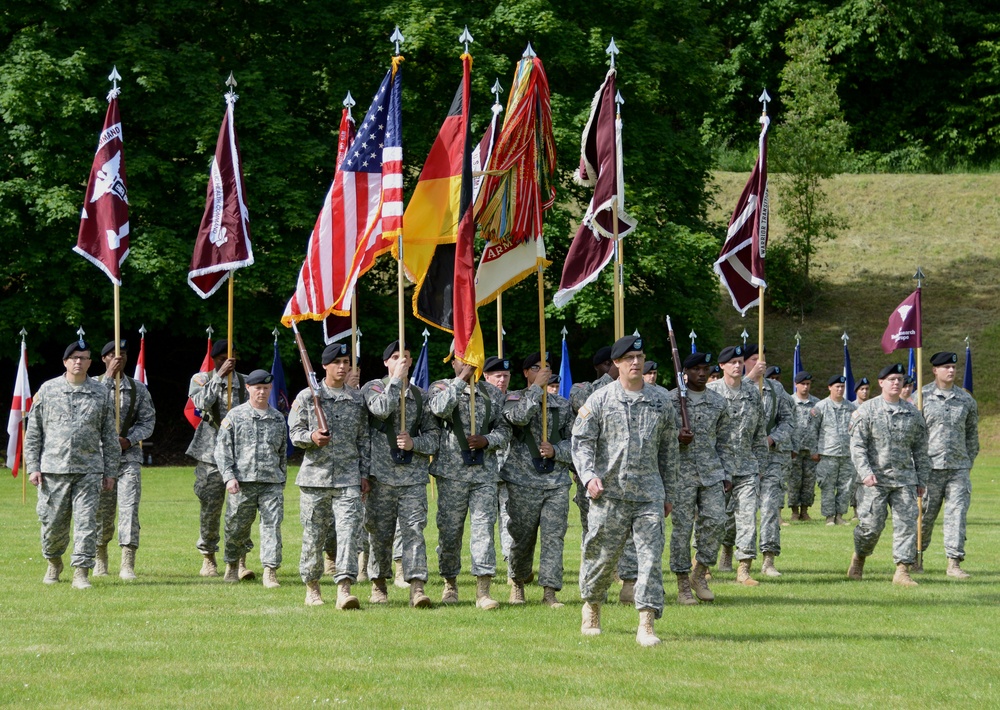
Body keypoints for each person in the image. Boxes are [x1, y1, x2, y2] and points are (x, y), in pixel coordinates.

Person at [573, 335, 678, 646]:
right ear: (616, 363)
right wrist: (589, 476)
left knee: (649, 560)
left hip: (649, 495)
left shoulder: (661, 401)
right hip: (610, 495)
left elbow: (669, 452)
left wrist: (669, 493)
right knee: (601, 558)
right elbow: (582, 443)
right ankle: (591, 606)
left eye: (640, 357)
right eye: (629, 358)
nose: (636, 362)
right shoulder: (600, 400)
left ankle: (646, 623)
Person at [25, 340, 119, 589]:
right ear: (65, 361)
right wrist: (32, 466)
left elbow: (109, 435)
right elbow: (34, 432)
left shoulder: (100, 392)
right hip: (54, 470)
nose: (79, 361)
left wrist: (110, 471)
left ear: (90, 362)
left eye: (84, 357)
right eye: (74, 357)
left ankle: (81, 572)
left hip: (89, 470)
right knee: (53, 524)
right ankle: (54, 562)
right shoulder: (47, 390)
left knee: (87, 522)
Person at [289, 342, 370, 608]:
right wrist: (311, 437)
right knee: (314, 535)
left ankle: (344, 589)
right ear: (325, 366)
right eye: (337, 362)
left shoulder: (357, 398)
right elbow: (294, 433)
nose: (342, 367)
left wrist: (364, 474)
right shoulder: (307, 397)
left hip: (348, 477)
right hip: (315, 479)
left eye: (346, 362)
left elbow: (363, 439)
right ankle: (312, 587)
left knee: (349, 533)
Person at [428, 358, 511, 609]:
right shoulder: (441, 387)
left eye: (471, 358)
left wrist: (487, 440)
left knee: (484, 529)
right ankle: (450, 583)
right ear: (453, 361)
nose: (468, 363)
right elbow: (439, 410)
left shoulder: (492, 394)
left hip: (484, 473)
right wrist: (461, 380)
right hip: (452, 473)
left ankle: (483, 590)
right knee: (450, 531)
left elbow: (504, 431)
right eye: (463, 359)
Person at [361, 340, 438, 607]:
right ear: (386, 362)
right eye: (395, 357)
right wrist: (395, 381)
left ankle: (416, 586)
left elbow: (434, 437)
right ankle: (379, 583)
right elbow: (381, 409)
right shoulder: (372, 387)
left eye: (406, 356)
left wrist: (416, 444)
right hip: (381, 477)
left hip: (413, 477)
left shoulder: (420, 396)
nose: (402, 361)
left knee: (414, 531)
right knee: (379, 533)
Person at [847, 363, 930, 586]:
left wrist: (922, 479)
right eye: (891, 379)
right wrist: (865, 473)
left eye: (900, 379)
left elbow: (921, 449)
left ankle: (902, 570)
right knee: (871, 527)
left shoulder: (912, 413)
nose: (896, 383)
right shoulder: (867, 410)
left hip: (904, 480)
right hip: (874, 480)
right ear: (881, 382)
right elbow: (857, 446)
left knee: (907, 524)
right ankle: (859, 556)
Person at [503, 353, 574, 608]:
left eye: (547, 368)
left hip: (555, 481)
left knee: (554, 536)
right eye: (536, 367)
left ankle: (550, 591)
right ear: (525, 372)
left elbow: (574, 442)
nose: (543, 371)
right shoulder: (513, 398)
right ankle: (518, 582)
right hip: (522, 481)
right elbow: (518, 418)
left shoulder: (562, 405)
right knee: (522, 536)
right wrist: (535, 389)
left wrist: (557, 451)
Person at [569, 346, 639, 604]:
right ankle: (596, 587)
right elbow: (580, 406)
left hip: (627, 476)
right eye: (617, 361)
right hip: (594, 475)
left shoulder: (635, 391)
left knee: (630, 533)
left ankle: (628, 581)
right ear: (603, 365)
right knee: (596, 534)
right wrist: (613, 380)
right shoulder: (585, 389)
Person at [667, 352, 731, 605]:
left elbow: (725, 441)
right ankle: (683, 583)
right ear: (685, 373)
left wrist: (727, 472)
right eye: (696, 370)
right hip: (680, 475)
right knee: (682, 531)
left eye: (705, 369)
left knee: (716, 522)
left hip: (712, 473)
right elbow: (659, 438)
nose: (702, 374)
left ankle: (699, 572)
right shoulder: (670, 401)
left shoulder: (718, 402)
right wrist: (676, 437)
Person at [215, 369, 287, 587]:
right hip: (242, 482)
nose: (262, 393)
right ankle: (232, 565)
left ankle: (270, 571)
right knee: (236, 526)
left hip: (270, 483)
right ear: (248, 388)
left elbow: (282, 452)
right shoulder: (235, 416)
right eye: (258, 388)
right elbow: (222, 449)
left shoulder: (277, 418)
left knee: (272, 526)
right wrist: (229, 477)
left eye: (266, 388)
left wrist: (281, 478)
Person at [186, 339, 251, 578]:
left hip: (240, 455)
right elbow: (201, 404)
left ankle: (239, 558)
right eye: (221, 358)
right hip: (210, 454)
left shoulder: (245, 382)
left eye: (230, 358)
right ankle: (209, 557)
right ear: (214, 359)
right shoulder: (201, 379)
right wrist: (219, 377)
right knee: (210, 508)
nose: (227, 362)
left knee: (241, 510)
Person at [93, 340, 155, 580]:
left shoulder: (138, 389)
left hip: (128, 459)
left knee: (129, 510)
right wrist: (109, 376)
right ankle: (100, 557)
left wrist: (129, 440)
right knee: (102, 512)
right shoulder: (93, 386)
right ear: (103, 358)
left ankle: (127, 562)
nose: (118, 358)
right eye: (112, 355)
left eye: (123, 354)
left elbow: (148, 421)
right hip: (97, 459)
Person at [707, 345, 767, 586]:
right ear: (721, 366)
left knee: (747, 518)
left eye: (740, 361)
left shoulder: (753, 393)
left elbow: (759, 432)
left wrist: (760, 465)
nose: (737, 366)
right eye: (731, 362)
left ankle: (744, 568)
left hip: (746, 467)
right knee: (712, 519)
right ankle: (704, 563)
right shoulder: (711, 392)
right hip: (717, 469)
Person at [917, 351, 979, 578]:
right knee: (924, 515)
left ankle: (954, 563)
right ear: (935, 370)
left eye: (953, 367)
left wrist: (967, 462)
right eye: (946, 367)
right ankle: (915, 557)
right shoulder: (921, 397)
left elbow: (972, 436)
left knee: (957, 515)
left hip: (958, 470)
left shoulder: (966, 400)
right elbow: (913, 436)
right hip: (929, 469)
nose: (951, 370)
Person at [742, 345, 793, 578]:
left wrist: (772, 439)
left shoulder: (776, 389)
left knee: (771, 508)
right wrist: (750, 380)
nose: (759, 363)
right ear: (743, 362)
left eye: (762, 358)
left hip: (771, 459)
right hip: (741, 459)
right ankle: (731, 554)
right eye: (754, 359)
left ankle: (769, 559)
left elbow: (789, 421)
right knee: (741, 511)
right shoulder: (735, 388)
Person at [483, 356, 515, 578]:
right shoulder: (480, 400)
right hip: (483, 469)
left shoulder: (513, 400)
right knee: (483, 521)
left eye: (505, 376)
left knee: (508, 517)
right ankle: (484, 565)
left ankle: (511, 561)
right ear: (486, 377)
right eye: (497, 376)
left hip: (508, 469)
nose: (502, 380)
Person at [810, 375, 857, 526]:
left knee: (846, 486)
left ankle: (840, 515)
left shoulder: (851, 407)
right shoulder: (821, 407)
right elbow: (812, 430)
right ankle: (829, 516)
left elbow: (857, 430)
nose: (840, 389)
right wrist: (814, 450)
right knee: (827, 486)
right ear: (830, 387)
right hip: (827, 453)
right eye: (837, 386)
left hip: (846, 454)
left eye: (842, 387)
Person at [787, 371, 819, 522]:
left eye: (808, 384)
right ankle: (794, 511)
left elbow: (820, 427)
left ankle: (805, 511)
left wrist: (817, 449)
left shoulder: (817, 404)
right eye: (803, 384)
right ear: (796, 384)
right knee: (794, 481)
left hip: (811, 449)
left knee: (809, 481)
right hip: (794, 448)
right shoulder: (789, 402)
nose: (806, 387)